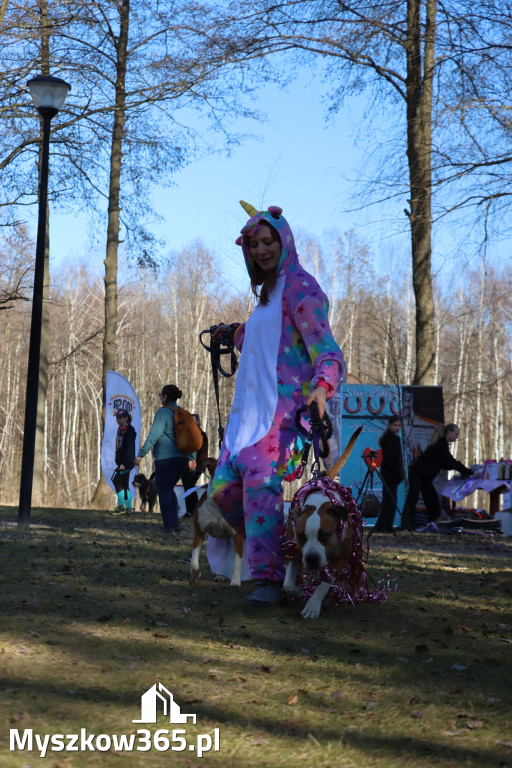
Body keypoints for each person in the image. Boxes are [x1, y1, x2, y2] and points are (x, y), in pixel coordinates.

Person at [208, 201, 345, 604]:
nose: (261, 250)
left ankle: (268, 582)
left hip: (278, 419)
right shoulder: (267, 296)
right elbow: (262, 341)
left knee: (260, 491)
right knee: (222, 492)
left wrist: (323, 387)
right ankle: (290, 543)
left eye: (268, 241)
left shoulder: (301, 288)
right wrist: (232, 332)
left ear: (284, 241)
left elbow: (327, 351)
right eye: (254, 244)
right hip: (244, 418)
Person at [135, 384, 193, 534]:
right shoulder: (183, 413)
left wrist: (141, 453)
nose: (160, 397)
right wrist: (192, 457)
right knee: (169, 489)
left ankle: (168, 526)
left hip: (166, 459)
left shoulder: (162, 413)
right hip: (182, 459)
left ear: (166, 397)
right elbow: (191, 437)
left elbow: (153, 436)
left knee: (164, 491)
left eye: (161, 394)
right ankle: (175, 523)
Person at [401, 422, 473, 530]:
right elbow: (450, 462)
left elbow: (445, 463)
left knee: (432, 500)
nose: (457, 437)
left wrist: (463, 470)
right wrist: (469, 472)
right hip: (418, 474)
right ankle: (406, 525)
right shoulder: (441, 445)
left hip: (424, 477)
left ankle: (432, 524)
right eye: (456, 434)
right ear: (449, 432)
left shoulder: (442, 445)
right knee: (413, 499)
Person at [373, 415, 404, 532]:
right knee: (389, 501)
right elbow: (391, 459)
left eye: (399, 426)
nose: (397, 428)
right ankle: (384, 526)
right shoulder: (389, 438)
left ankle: (385, 525)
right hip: (390, 473)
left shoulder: (395, 438)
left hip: (393, 473)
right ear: (390, 425)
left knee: (390, 501)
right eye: (395, 425)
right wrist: (398, 472)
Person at [180, 415, 209, 517]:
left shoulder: (202, 436)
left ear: (197, 422)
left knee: (189, 487)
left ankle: (195, 511)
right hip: (184, 467)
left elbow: (203, 453)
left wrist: (200, 467)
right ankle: (190, 511)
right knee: (187, 489)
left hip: (196, 467)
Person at [112, 408, 136, 514]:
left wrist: (124, 464)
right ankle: (126, 507)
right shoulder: (120, 429)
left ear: (126, 418)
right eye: (117, 418)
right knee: (119, 483)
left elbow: (130, 449)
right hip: (121, 462)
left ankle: (126, 507)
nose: (118, 420)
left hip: (126, 462)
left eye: (120, 418)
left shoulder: (129, 430)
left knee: (120, 483)